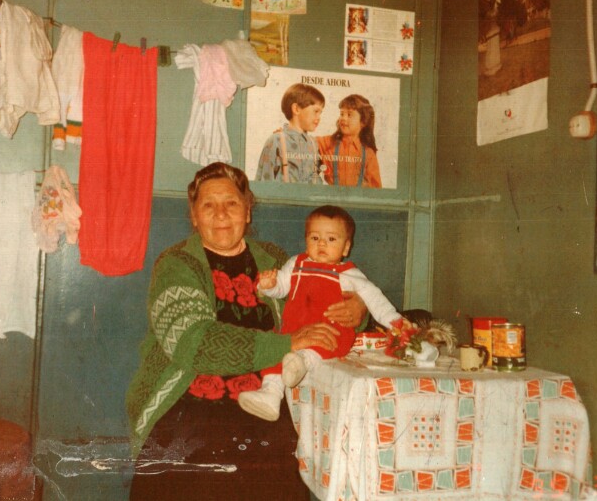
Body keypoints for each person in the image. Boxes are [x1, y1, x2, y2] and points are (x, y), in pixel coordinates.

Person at [126, 163, 366, 500]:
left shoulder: (275, 260)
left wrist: (357, 309)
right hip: (189, 409)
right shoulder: (177, 264)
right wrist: (288, 343)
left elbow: (321, 300)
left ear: (248, 211)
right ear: (194, 216)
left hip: (268, 403)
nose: (221, 214)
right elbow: (194, 344)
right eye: (208, 205)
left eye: (232, 203)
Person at [238, 205, 412, 422]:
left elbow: (376, 301)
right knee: (275, 350)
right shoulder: (296, 263)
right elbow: (280, 288)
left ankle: (302, 362)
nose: (321, 244)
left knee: (316, 346)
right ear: (306, 240)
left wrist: (397, 323)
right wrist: (268, 285)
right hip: (294, 331)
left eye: (331, 239)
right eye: (315, 238)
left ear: (346, 247)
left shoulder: (349, 274)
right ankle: (270, 394)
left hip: (331, 333)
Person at [256, 83, 327, 184]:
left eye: (320, 113)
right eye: (316, 111)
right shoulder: (276, 141)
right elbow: (264, 182)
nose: (319, 117)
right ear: (296, 109)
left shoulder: (313, 144)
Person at [317, 94, 383, 188]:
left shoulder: (369, 154)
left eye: (349, 115)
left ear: (363, 122)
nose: (343, 118)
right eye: (342, 114)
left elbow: (376, 188)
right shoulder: (326, 143)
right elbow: (307, 141)